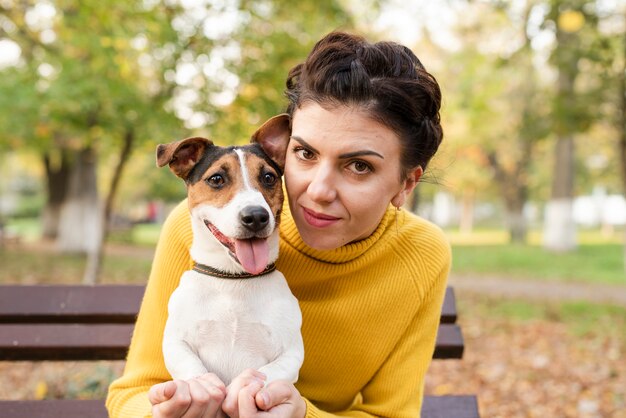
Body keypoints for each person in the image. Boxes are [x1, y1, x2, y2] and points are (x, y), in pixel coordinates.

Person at [106, 30, 449, 418]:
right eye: (304, 153)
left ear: (406, 184)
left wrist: (302, 415)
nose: (319, 191)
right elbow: (133, 393)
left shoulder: (421, 255)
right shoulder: (196, 229)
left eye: (359, 166)